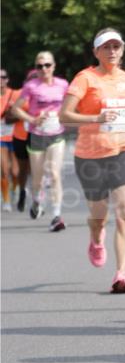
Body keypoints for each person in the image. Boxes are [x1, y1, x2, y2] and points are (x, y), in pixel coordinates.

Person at [59, 29, 125, 293]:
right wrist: (95, 119)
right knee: (98, 215)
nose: (112, 51)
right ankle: (95, 237)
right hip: (90, 156)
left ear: (122, 50)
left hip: (124, 150)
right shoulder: (85, 79)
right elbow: (64, 116)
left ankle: (121, 273)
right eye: (106, 47)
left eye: (116, 46)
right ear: (96, 52)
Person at [11, 52, 69, 231]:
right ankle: (36, 201)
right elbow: (15, 109)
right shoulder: (31, 86)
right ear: (35, 68)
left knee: (54, 173)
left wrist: (63, 116)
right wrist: (32, 119)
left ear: (54, 66)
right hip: (37, 136)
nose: (44, 69)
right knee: (37, 180)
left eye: (47, 65)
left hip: (56, 134)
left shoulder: (63, 84)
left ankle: (57, 215)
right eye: (39, 66)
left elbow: (71, 104)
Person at [0, 69, 19, 212]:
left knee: (15, 172)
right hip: (1, 139)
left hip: (16, 136)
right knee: (4, 170)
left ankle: (15, 189)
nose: (1, 80)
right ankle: (6, 200)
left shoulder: (16, 94)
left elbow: (25, 110)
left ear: (7, 79)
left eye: (3, 77)